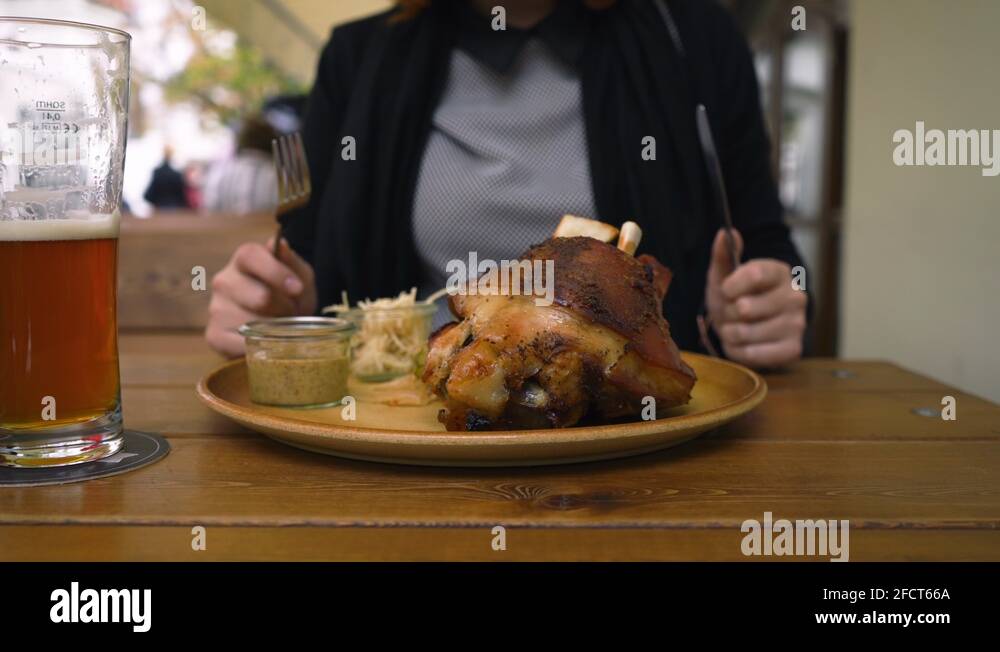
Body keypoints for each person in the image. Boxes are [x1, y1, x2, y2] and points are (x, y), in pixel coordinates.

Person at [206, 0, 809, 370]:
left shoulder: (698, 40)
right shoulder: (357, 56)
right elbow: (309, 265)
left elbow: (763, 245)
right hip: (406, 438)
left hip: (643, 448)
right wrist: (281, 301)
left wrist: (760, 309)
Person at [201, 116, 279, 215]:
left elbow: (209, 211)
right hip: (268, 230)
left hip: (224, 229)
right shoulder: (278, 175)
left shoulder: (218, 173)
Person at [143, 145, 190, 210]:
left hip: (159, 209)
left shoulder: (157, 173)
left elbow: (148, 195)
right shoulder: (177, 174)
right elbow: (182, 196)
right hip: (175, 210)